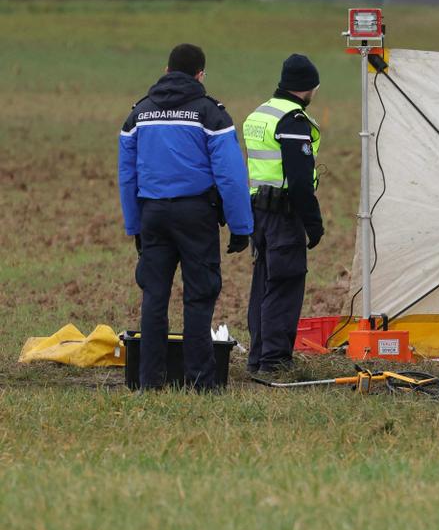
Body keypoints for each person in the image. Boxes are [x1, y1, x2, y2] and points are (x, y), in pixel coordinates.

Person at [118, 43, 253, 390]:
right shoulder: (211, 114)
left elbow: (127, 175)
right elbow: (230, 176)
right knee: (199, 296)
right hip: (196, 216)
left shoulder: (139, 114)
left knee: (154, 297)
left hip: (152, 215)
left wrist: (135, 225)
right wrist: (241, 227)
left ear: (166, 71)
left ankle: (149, 381)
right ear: (200, 75)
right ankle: (201, 382)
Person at [242, 53, 325, 373]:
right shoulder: (292, 121)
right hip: (283, 216)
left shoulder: (260, 114)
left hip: (258, 213)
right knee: (285, 283)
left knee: (264, 282)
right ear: (308, 87)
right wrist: (313, 224)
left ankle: (257, 356)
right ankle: (274, 360)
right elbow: (301, 180)